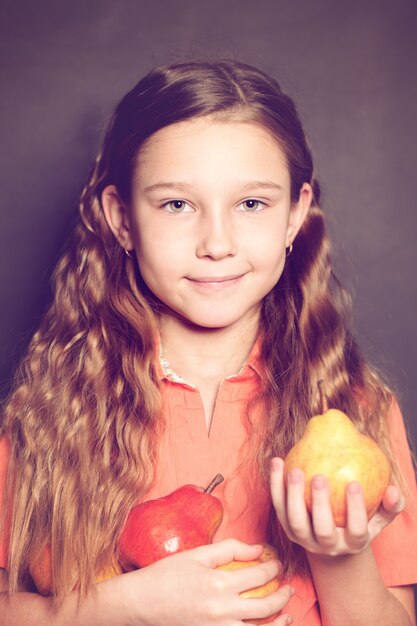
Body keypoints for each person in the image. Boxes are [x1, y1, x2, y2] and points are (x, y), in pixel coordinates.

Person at [0, 59, 416, 626]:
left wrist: (337, 553)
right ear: (122, 219)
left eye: (251, 204)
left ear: (295, 215)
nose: (216, 244)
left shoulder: (357, 407)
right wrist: (124, 608)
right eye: (177, 205)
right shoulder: (52, 411)